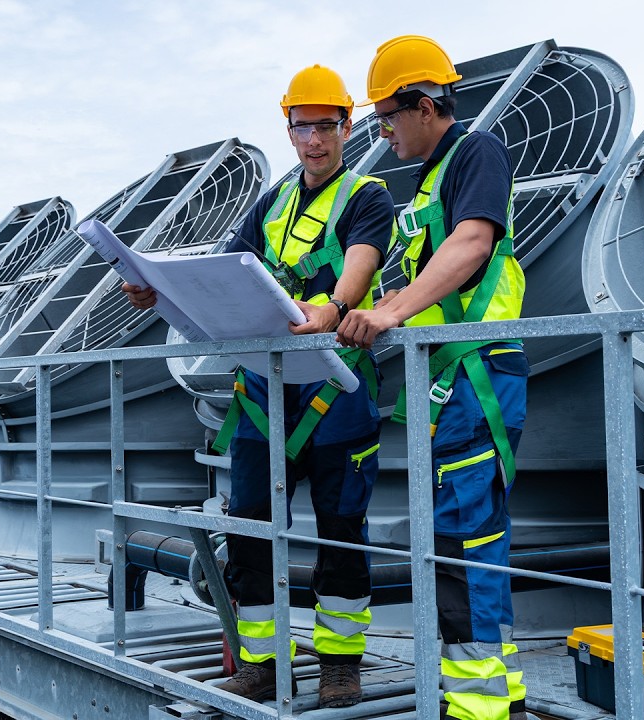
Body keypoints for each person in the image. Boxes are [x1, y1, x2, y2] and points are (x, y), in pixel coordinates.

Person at [123, 64, 395, 709]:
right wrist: (157, 292)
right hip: (262, 394)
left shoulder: (368, 196)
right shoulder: (270, 204)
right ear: (289, 129)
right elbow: (224, 277)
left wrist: (334, 306)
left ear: (346, 126)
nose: (314, 140)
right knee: (249, 528)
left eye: (326, 126)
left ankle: (340, 666)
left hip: (335, 388)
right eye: (303, 128)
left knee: (340, 530)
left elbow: (358, 269)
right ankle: (262, 662)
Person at [336, 35, 529, 720]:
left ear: (424, 105)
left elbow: (473, 242)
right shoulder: (432, 177)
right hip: (453, 385)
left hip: (476, 378)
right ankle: (490, 698)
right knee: (460, 538)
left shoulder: (475, 152)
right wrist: (393, 306)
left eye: (387, 117)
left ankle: (481, 709)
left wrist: (389, 311)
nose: (382, 133)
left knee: (465, 539)